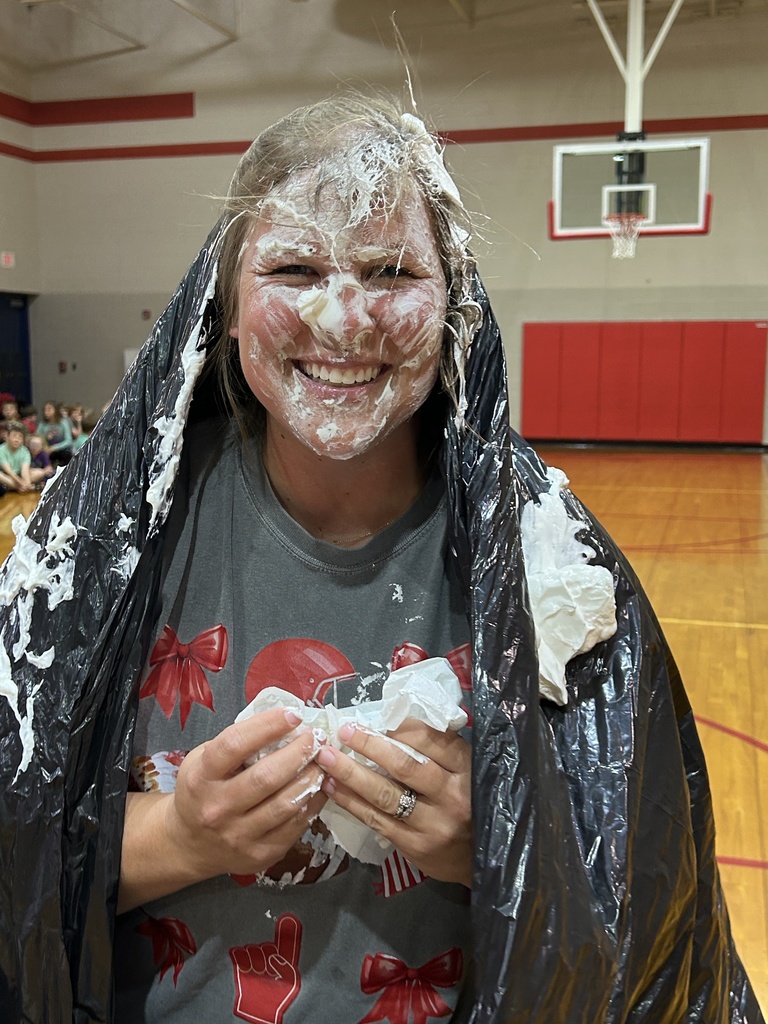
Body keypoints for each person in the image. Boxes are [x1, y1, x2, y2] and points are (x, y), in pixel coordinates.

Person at [0, 92, 764, 1024]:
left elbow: (644, 907)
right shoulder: (104, 541)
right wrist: (183, 838)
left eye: (392, 271)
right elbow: (18, 867)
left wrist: (499, 848)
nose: (344, 318)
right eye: (294, 268)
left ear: (453, 306)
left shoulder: (550, 563)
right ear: (224, 304)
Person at [37, 399, 74, 466]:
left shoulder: (63, 423)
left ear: (56, 410)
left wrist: (55, 448)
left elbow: (68, 441)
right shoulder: (42, 424)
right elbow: (37, 438)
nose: (46, 412)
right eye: (45, 410)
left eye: (49, 409)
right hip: (46, 449)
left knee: (67, 453)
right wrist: (46, 440)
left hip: (60, 450)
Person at [0, 422, 34, 493]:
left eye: (20, 437)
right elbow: (8, 471)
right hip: (7, 475)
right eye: (14, 436)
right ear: (7, 437)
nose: (17, 440)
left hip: (19, 475)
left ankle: (15, 487)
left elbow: (25, 471)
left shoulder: (25, 451)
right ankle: (17, 487)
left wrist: (27, 483)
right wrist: (21, 483)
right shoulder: (1, 450)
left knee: (39, 472)